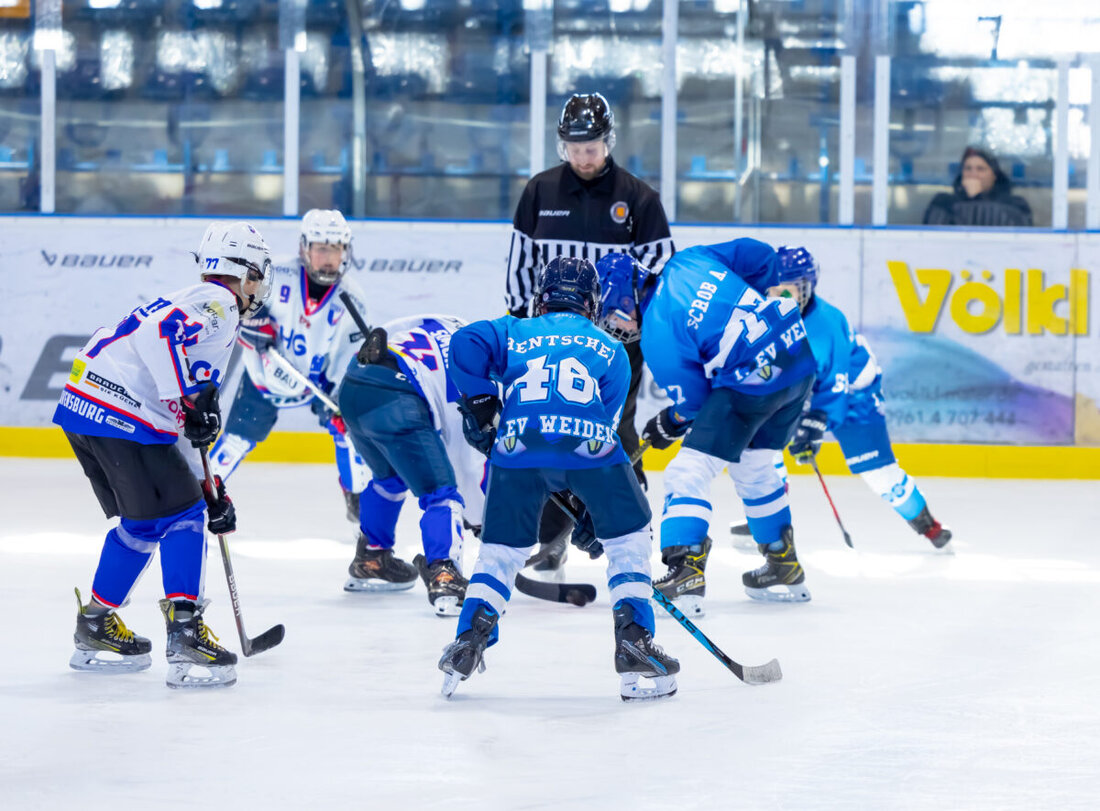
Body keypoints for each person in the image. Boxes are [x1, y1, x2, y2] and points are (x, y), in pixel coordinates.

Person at [440, 257, 678, 701]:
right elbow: (590, 433)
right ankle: (634, 638)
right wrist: (593, 513)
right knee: (630, 536)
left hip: (514, 449)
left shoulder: (513, 331)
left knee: (499, 553)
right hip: (589, 447)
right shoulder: (613, 351)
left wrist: (481, 405)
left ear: (541, 297)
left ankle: (469, 637)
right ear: (592, 303)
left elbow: (464, 342)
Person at [55, 221, 275, 689]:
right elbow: (158, 339)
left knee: (145, 524)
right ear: (247, 273)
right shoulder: (220, 304)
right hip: (120, 412)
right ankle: (186, 632)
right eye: (257, 274)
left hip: (89, 408)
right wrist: (189, 399)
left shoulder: (195, 301)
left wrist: (208, 483)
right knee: (184, 517)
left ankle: (95, 624)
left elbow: (179, 420)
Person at [596, 239, 817, 617]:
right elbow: (760, 254)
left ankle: (686, 571)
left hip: (752, 381)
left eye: (612, 316)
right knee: (755, 466)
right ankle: (784, 565)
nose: (614, 326)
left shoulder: (657, 334)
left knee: (687, 470)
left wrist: (672, 422)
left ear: (625, 299)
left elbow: (697, 404)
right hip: (796, 360)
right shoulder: (690, 260)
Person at [503, 91, 676, 575]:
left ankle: (632, 534)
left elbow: (662, 268)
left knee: (613, 434)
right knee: (549, 430)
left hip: (616, 345)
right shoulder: (540, 191)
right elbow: (520, 265)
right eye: (575, 148)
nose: (584, 156)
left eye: (592, 146)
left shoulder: (639, 197)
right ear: (563, 146)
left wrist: (639, 315)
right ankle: (553, 537)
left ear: (608, 142)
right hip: (549, 339)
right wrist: (521, 325)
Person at [760, 246, 954, 550]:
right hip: (807, 390)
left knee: (879, 475)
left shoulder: (825, 326)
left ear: (807, 288)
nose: (780, 299)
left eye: (790, 290)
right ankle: (768, 515)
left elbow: (836, 388)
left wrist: (813, 427)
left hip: (854, 397)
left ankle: (928, 525)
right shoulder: (766, 315)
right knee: (761, 446)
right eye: (773, 290)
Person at [207, 209, 371, 521]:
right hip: (263, 378)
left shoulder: (353, 299)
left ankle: (359, 509)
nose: (328, 257)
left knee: (348, 433)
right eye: (321, 248)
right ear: (304, 248)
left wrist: (342, 403)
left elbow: (351, 358)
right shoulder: (273, 275)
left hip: (318, 383)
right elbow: (230, 305)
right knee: (236, 442)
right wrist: (247, 321)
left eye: (335, 249)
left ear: (346, 252)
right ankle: (199, 498)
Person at [337, 314, 487, 616]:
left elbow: (382, 332)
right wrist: (482, 521)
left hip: (354, 386)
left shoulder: (441, 323)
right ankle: (445, 575)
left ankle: (372, 558)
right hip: (397, 400)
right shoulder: (476, 371)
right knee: (441, 492)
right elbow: (463, 463)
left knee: (390, 476)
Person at [922, 146, 1033, 227]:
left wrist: (977, 197)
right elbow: (936, 227)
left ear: (994, 175)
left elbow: (1016, 227)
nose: (973, 174)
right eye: (968, 168)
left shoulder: (1015, 203)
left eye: (980, 169)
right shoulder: (943, 201)